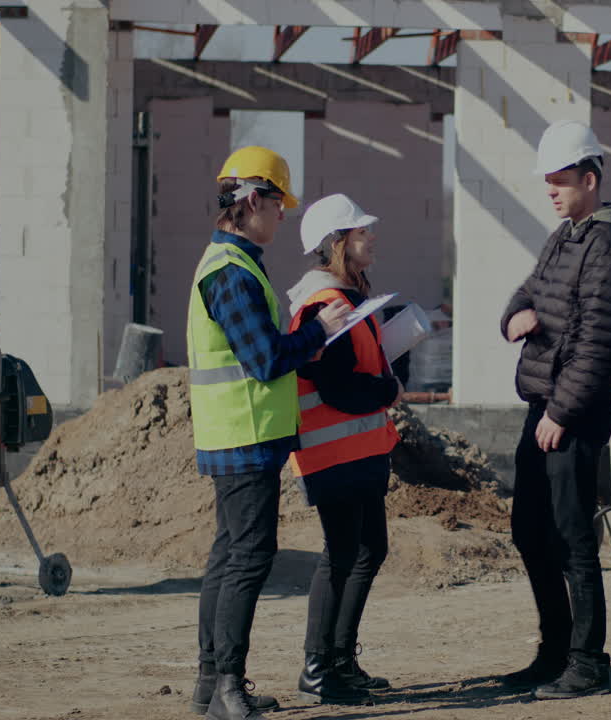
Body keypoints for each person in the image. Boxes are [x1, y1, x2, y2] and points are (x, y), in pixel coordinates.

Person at [187, 147, 352, 720]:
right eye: (280, 203)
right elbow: (263, 359)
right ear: (254, 200)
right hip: (244, 436)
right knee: (249, 558)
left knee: (229, 554)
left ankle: (213, 685)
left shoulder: (234, 263)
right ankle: (227, 687)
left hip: (238, 432)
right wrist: (319, 333)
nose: (284, 215)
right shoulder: (231, 272)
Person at [498, 120, 611, 700]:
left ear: (590, 177)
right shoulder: (564, 235)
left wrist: (561, 411)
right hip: (542, 406)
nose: (551, 190)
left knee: (572, 534)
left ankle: (587, 659)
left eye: (560, 180)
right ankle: (554, 648)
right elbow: (525, 292)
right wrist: (512, 318)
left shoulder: (607, 244)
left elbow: (597, 343)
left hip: (571, 415)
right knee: (530, 530)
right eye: (547, 181)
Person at [285, 193, 403, 705]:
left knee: (367, 549)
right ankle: (319, 668)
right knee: (343, 554)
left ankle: (340, 660)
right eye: (360, 231)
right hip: (333, 452)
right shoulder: (324, 306)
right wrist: (386, 392)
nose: (370, 236)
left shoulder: (348, 299)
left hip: (357, 448)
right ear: (337, 244)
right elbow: (334, 385)